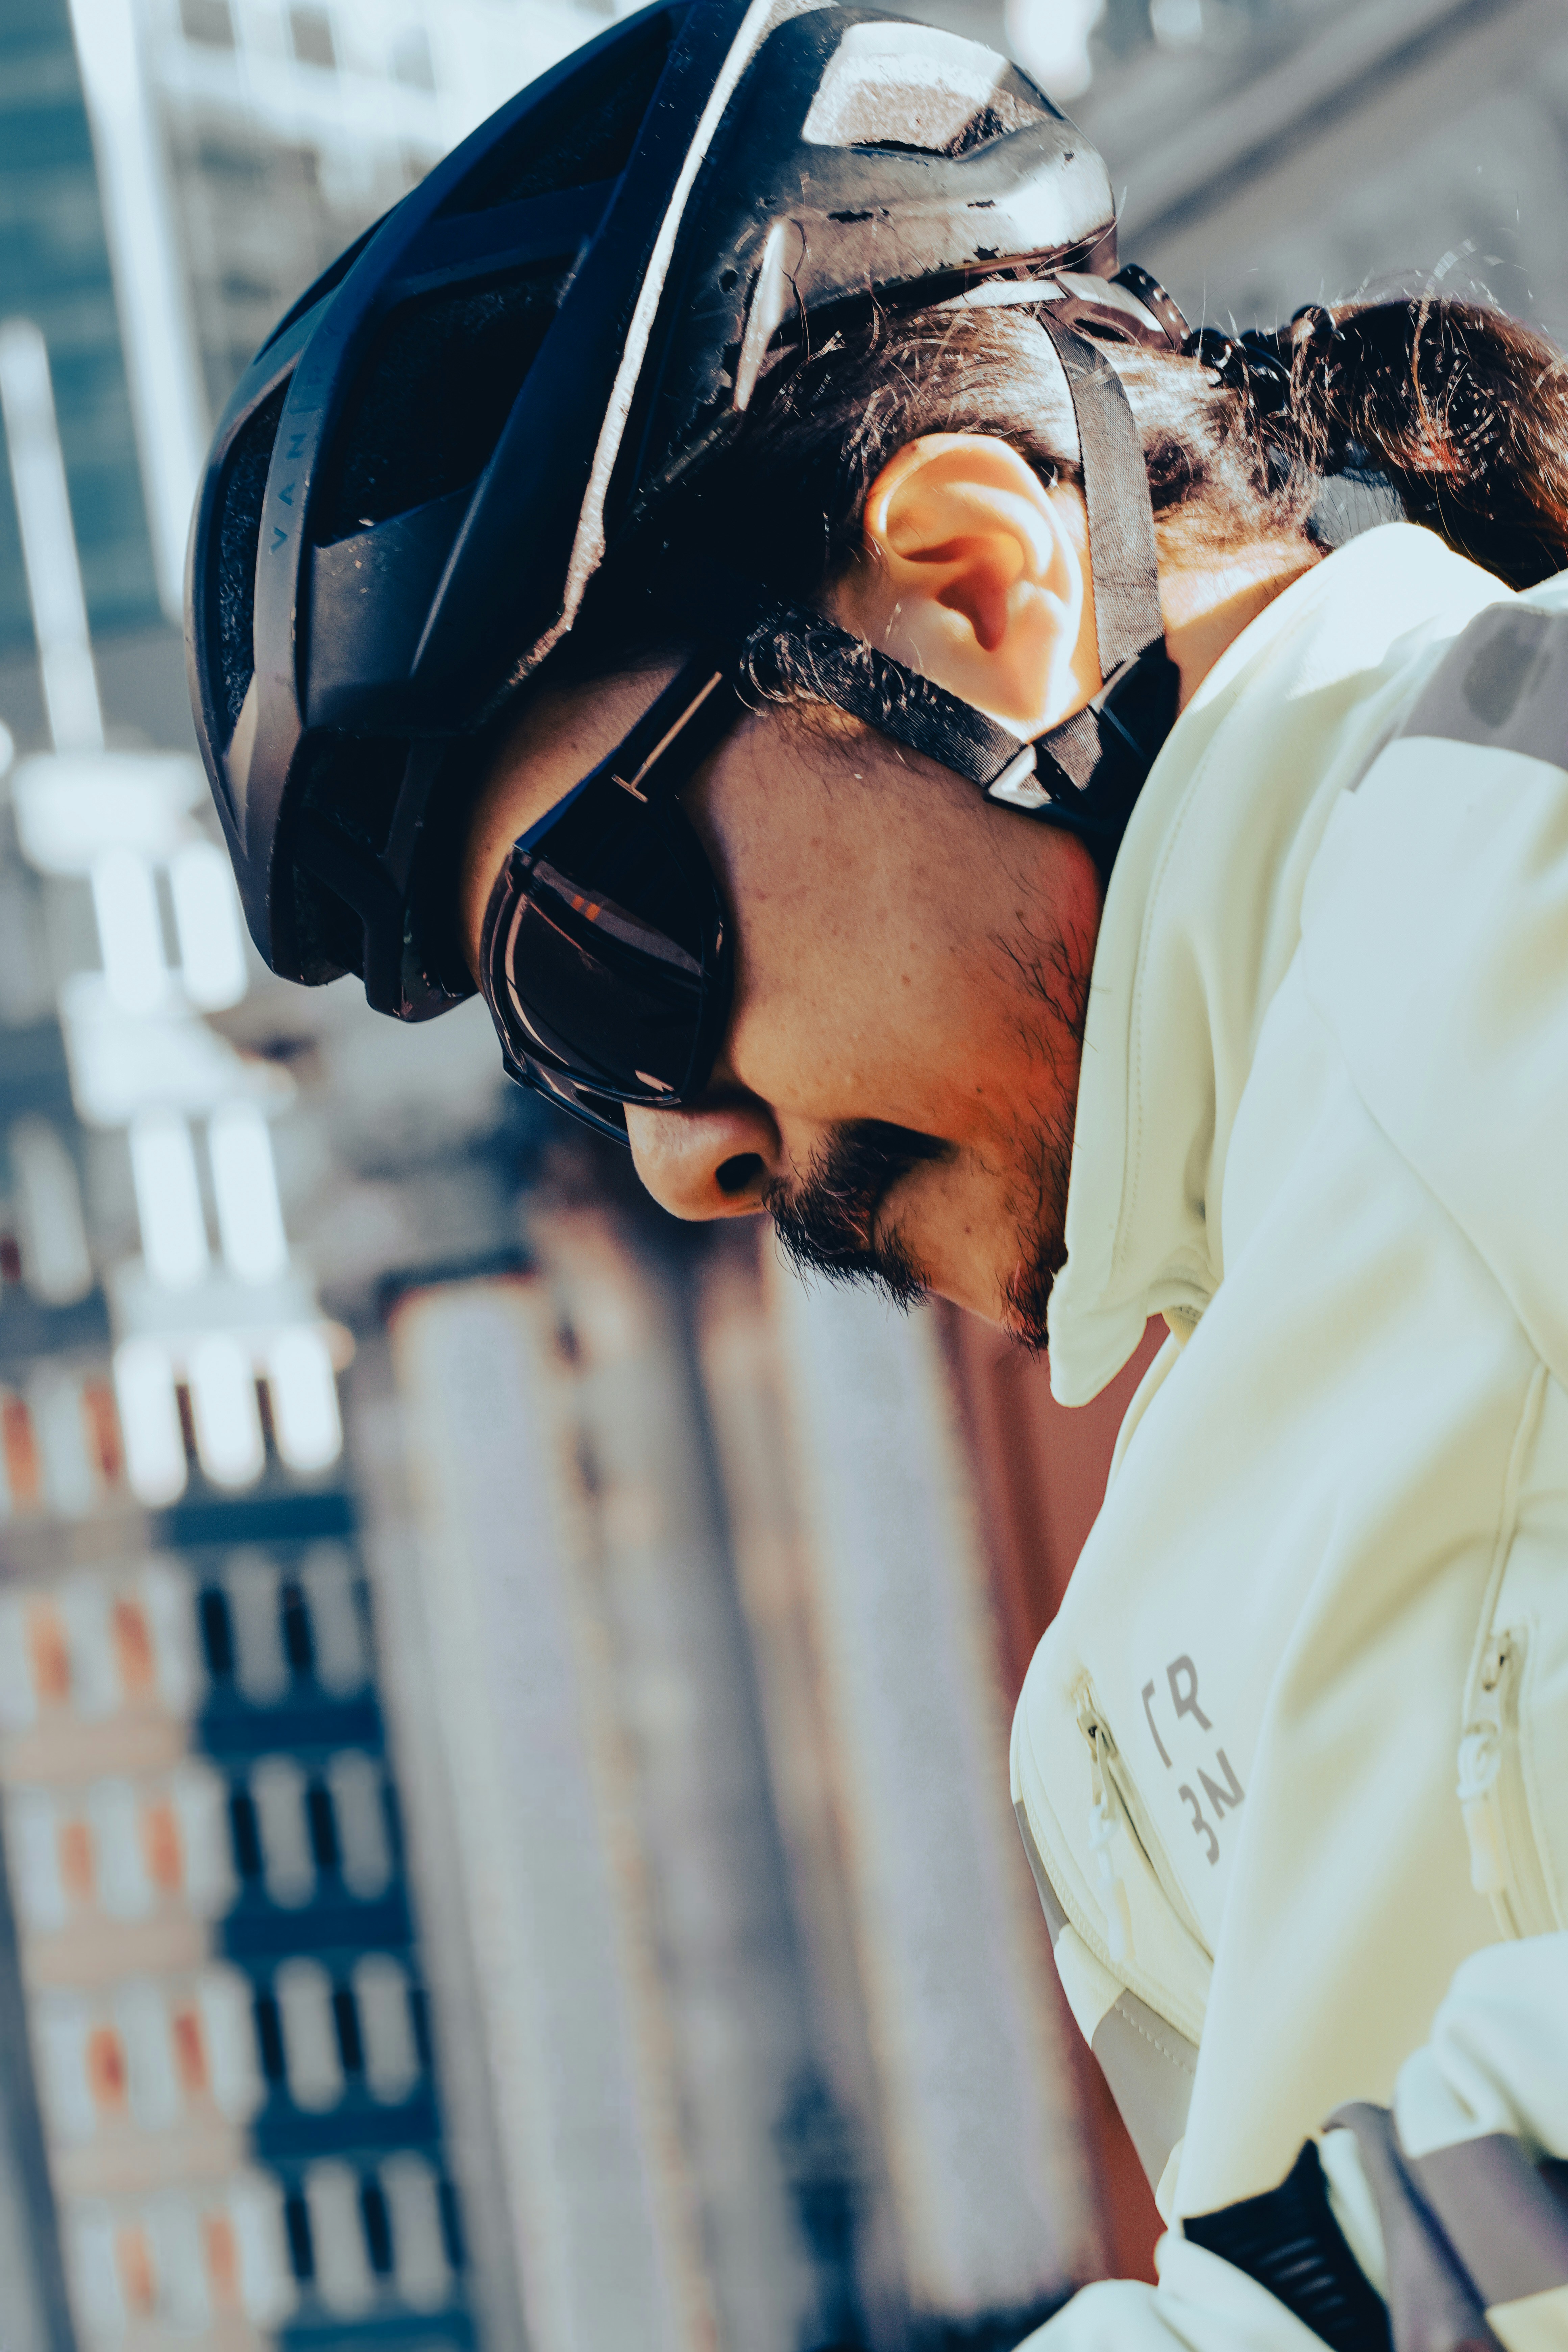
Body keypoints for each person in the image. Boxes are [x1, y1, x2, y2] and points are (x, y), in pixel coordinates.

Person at [188, 4, 1568, 2344]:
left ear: (976, 587)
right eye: (567, 1074)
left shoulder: (1515, 874)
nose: (683, 1155)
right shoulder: (1131, 1636)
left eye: (609, 960)